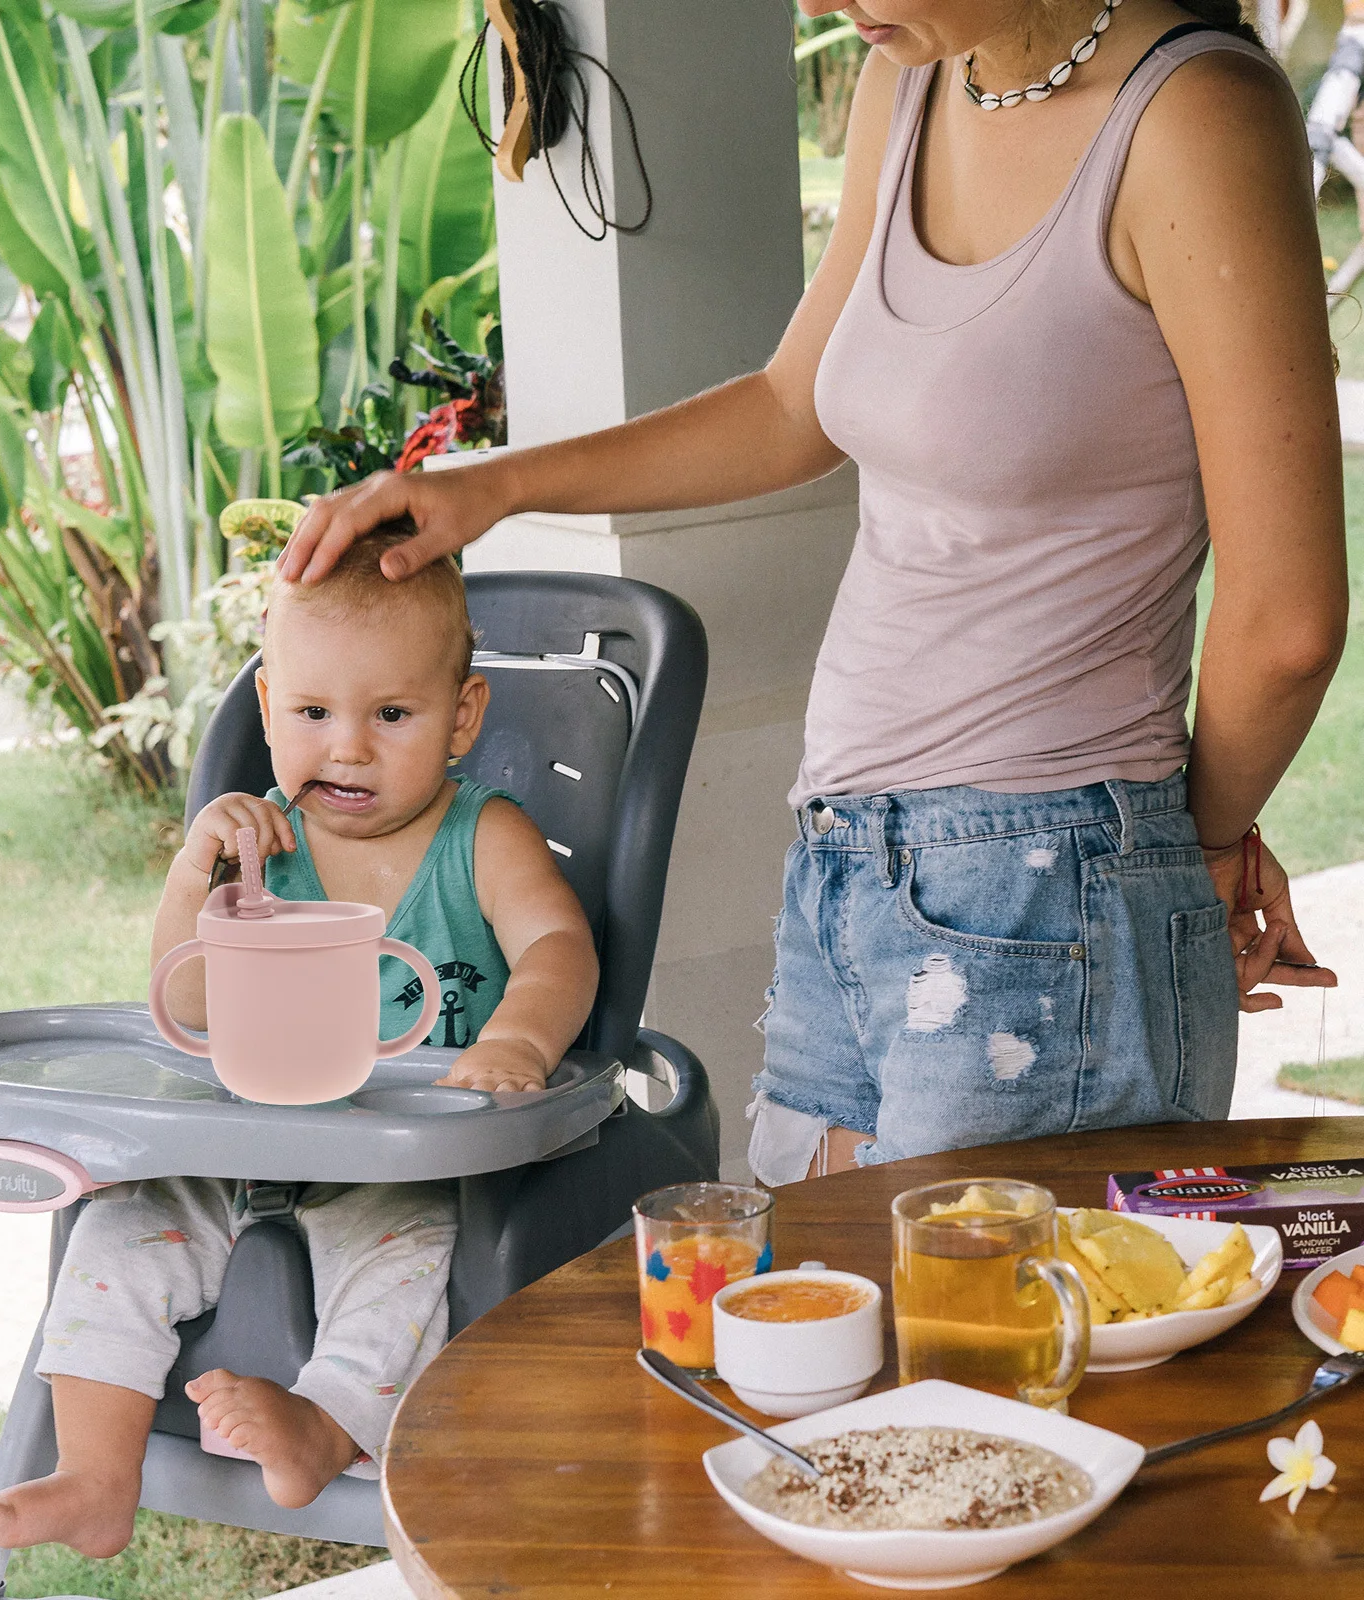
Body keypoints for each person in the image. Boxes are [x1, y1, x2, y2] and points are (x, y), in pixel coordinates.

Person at [274, 0, 1349, 1180]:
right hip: (848, 857)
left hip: (1050, 888)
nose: (828, 5)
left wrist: (1187, 855)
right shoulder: (922, 78)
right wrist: (494, 488)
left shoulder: (1193, 119)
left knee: (1000, 1349)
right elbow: (798, 405)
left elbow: (1286, 618)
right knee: (837, 1340)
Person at [0, 529, 598, 1557]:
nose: (346, 746)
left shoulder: (482, 838)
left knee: (410, 1268)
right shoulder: (263, 848)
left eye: (391, 714)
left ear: (461, 717)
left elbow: (559, 944)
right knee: (115, 1233)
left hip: (393, 1171)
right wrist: (195, 876)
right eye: (311, 713)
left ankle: (323, 1421)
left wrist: (519, 1041)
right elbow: (191, 1004)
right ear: (266, 711)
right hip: (238, 1152)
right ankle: (92, 1472)